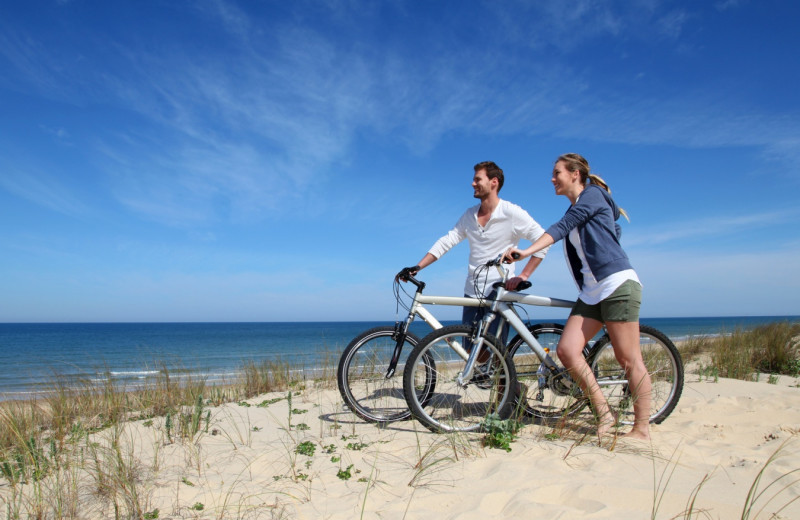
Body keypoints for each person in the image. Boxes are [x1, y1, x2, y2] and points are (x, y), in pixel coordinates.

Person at [504, 153, 651, 441]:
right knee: (568, 351)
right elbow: (609, 230)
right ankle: (604, 413)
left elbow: (562, 228)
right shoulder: (582, 207)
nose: (552, 178)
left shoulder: (593, 195)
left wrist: (526, 251)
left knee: (628, 358)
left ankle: (641, 429)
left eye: (557, 172)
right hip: (592, 292)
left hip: (617, 285)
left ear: (575, 174)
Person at [400, 161, 549, 344]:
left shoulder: (511, 212)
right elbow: (447, 241)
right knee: (470, 351)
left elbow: (543, 240)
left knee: (492, 353)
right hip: (472, 291)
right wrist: (418, 266)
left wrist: (524, 275)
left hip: (498, 290)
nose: (473, 183)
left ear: (494, 182)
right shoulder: (469, 215)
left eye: (478, 179)